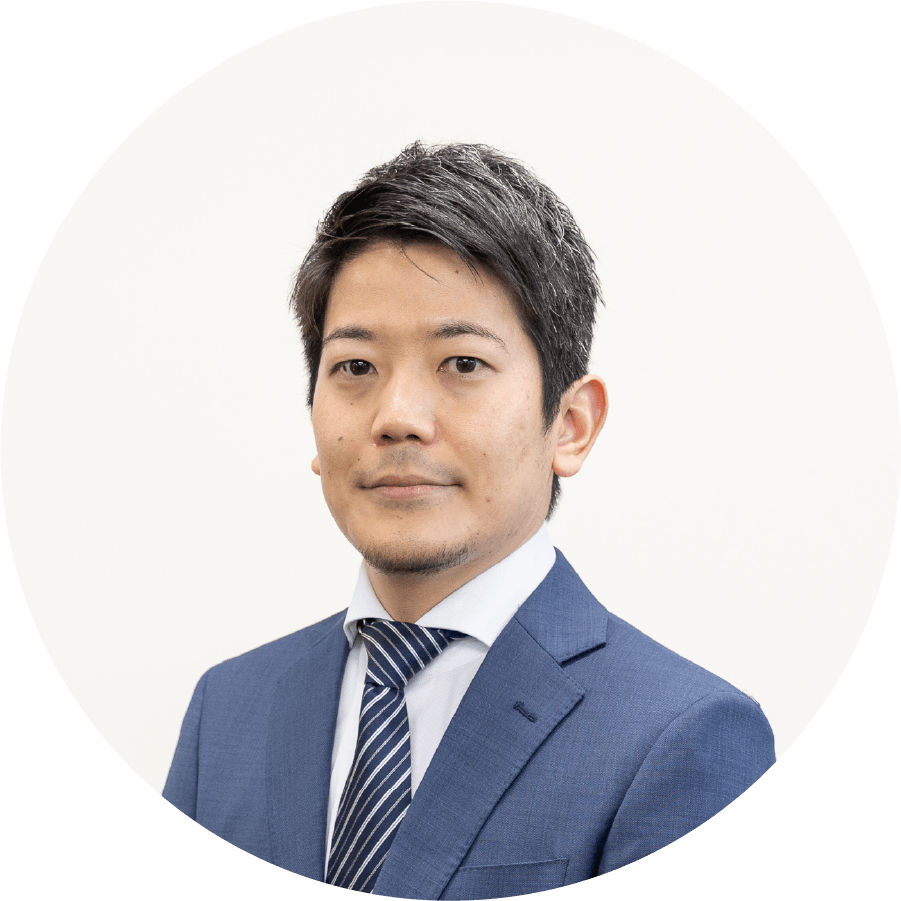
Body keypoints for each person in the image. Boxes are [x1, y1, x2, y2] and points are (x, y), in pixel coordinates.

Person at [163, 142, 774, 899]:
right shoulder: (226, 710)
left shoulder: (684, 736)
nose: (396, 418)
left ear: (571, 425)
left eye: (461, 364)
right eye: (355, 367)